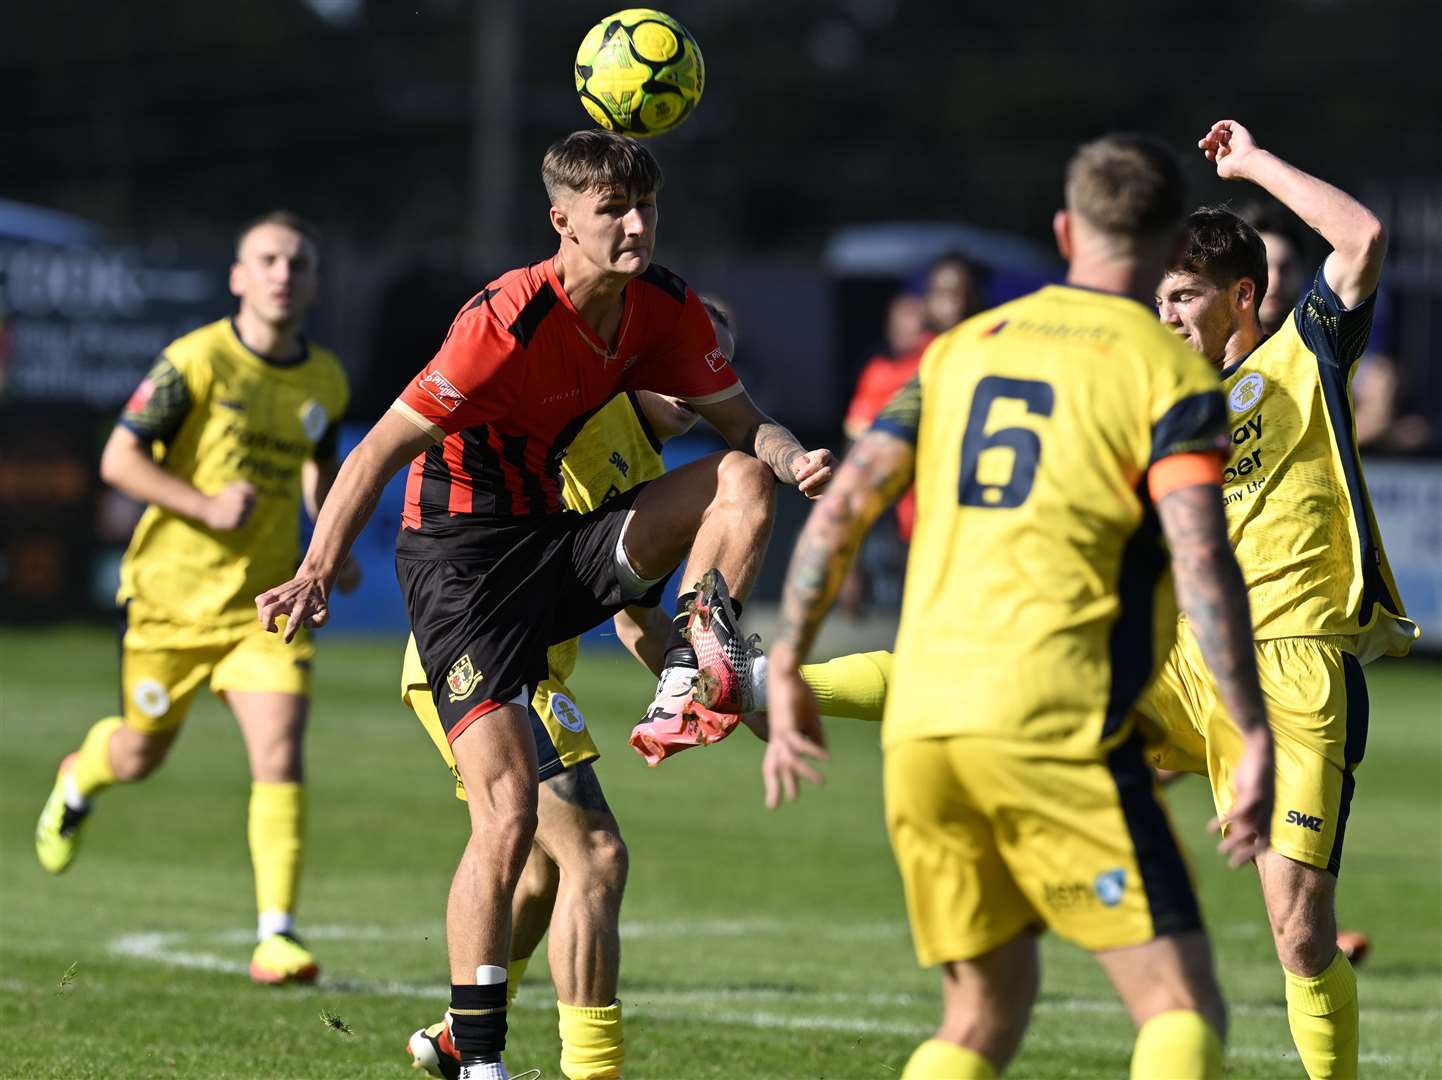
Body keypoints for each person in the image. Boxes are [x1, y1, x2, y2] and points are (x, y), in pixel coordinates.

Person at [255, 131, 834, 1080]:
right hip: (464, 572)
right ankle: (478, 1058)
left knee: (736, 476)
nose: (637, 225)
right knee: (518, 823)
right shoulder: (502, 324)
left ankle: (705, 663)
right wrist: (317, 566)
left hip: (553, 555)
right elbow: (374, 452)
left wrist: (789, 457)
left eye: (646, 206)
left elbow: (742, 429)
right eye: (613, 210)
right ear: (562, 220)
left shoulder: (662, 318)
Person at [764, 133, 1275, 1079]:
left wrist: (787, 659)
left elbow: (842, 507)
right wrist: (1250, 730)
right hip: (1056, 722)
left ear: (1061, 229)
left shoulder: (959, 349)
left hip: (923, 730)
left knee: (980, 1016)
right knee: (1179, 1007)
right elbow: (1204, 561)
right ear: (1166, 243)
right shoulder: (1169, 376)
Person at [402, 298, 753, 1080]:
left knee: (538, 872)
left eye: (715, 370)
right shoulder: (586, 416)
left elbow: (635, 624)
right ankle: (593, 1071)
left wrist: (720, 682)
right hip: (479, 655)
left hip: (534, 668)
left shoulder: (651, 470)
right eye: (690, 363)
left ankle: (463, 1039)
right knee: (595, 853)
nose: (700, 385)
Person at [1150, 120, 1419, 1080]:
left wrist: (1254, 164)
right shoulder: (1168, 409)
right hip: (1187, 659)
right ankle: (762, 678)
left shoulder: (1305, 350)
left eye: (1184, 296)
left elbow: (1364, 241)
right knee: (1020, 686)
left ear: (1245, 297)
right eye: (1160, 298)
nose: (1168, 315)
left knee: (1300, 937)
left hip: (1299, 665)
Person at [33, 211, 353, 985]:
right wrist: (205, 505)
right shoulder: (196, 360)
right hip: (170, 601)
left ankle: (276, 934)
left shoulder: (326, 380)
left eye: (298, 262)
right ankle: (79, 778)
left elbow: (319, 467)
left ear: (312, 284)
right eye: (268, 259)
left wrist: (327, 546)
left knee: (279, 752)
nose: (283, 272)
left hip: (264, 608)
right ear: (239, 277)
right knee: (141, 752)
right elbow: (118, 458)